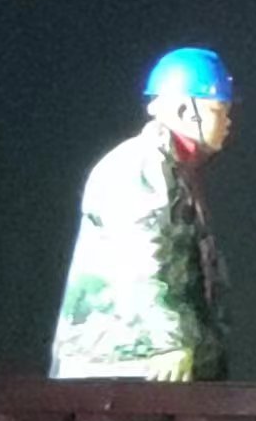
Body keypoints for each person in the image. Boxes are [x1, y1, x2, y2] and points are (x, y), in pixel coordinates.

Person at [51, 47, 238, 380]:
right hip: (124, 368)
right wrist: (168, 343)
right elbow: (138, 260)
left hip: (154, 368)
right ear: (185, 110)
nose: (227, 122)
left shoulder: (176, 174)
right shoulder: (138, 166)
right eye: (218, 110)